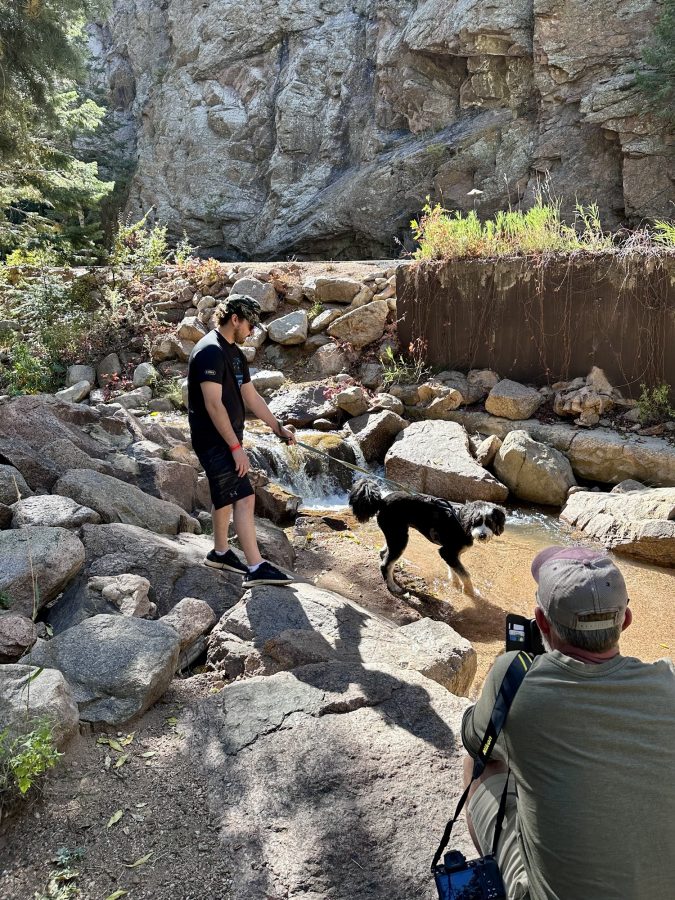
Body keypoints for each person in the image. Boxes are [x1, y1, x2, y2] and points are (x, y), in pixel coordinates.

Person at [461, 546, 675, 900]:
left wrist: (507, 681)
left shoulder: (516, 678)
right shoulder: (668, 681)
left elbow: (474, 739)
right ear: (626, 620)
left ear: (541, 622)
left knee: (480, 761)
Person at [187, 293, 297, 587]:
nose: (252, 331)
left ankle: (220, 553)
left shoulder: (234, 353)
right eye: (250, 324)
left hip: (227, 438)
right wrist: (236, 448)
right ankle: (256, 567)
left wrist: (277, 427)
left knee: (225, 495)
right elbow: (213, 405)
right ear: (234, 319)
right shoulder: (209, 351)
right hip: (213, 440)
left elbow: (250, 395)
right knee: (244, 496)